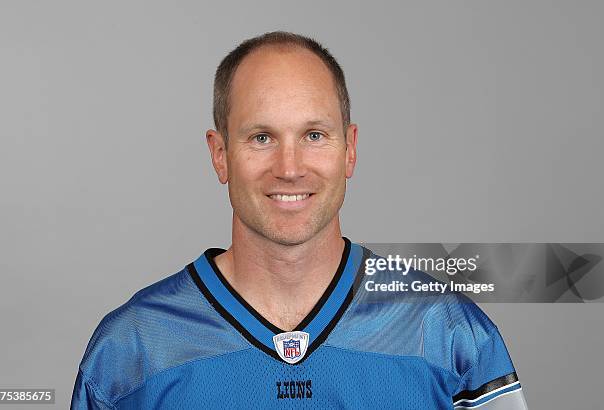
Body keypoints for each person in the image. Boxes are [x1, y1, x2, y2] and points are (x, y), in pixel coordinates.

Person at [71, 31, 528, 409]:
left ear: (349, 149)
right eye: (261, 136)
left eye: (314, 135)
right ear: (219, 154)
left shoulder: (448, 333)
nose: (289, 167)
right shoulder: (131, 350)